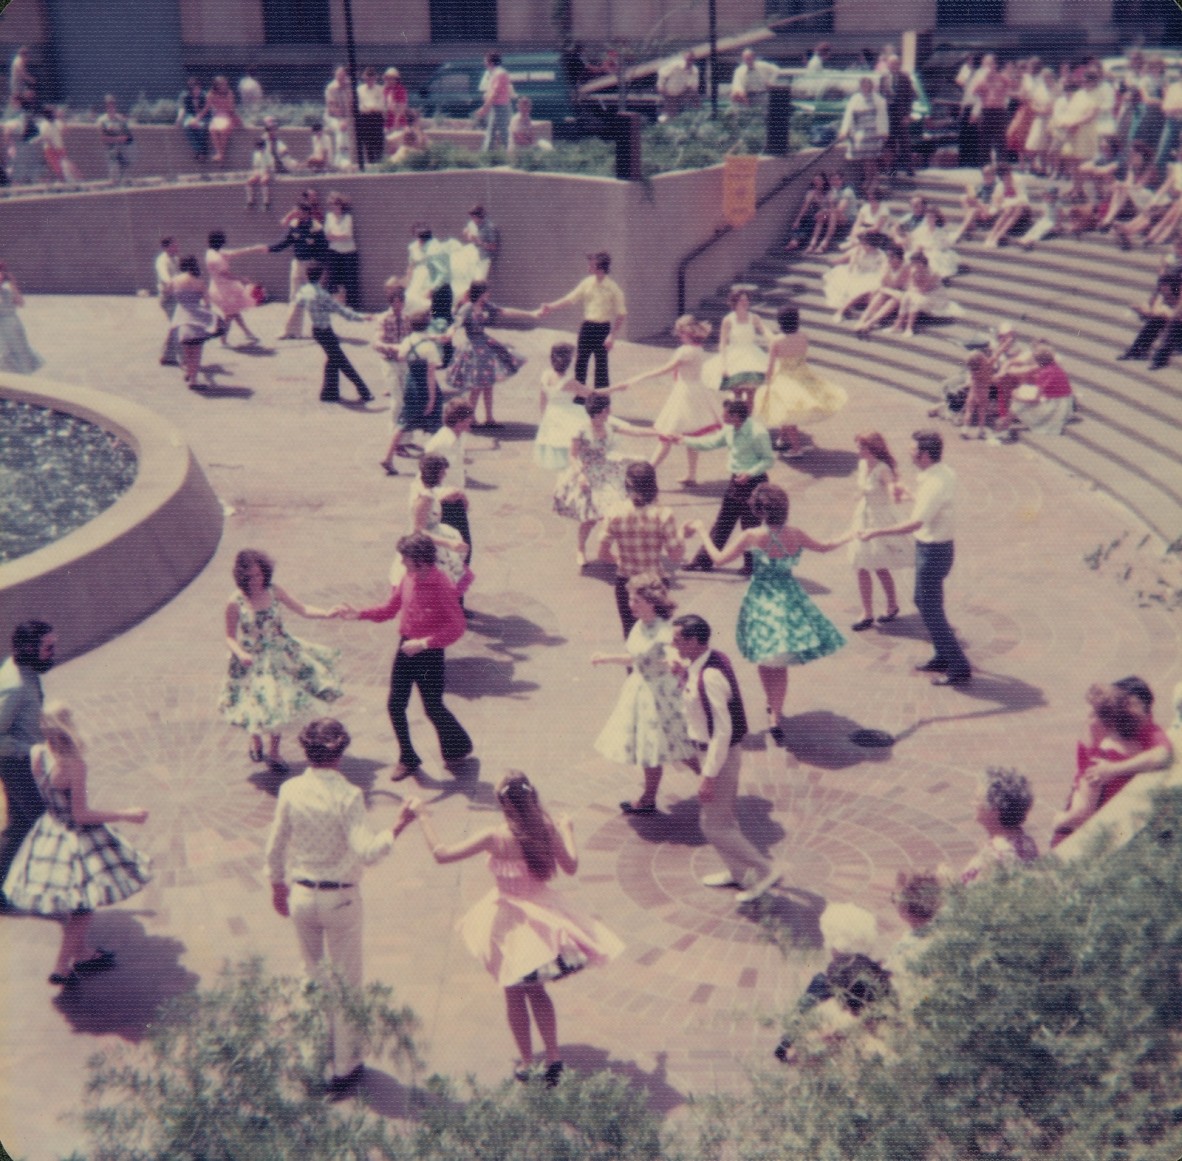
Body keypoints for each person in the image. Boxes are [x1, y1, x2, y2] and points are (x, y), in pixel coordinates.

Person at [413, 770, 623, 1084]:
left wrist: (423, 816)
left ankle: (527, 1062)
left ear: (503, 804)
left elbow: (441, 855)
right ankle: (553, 1058)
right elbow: (571, 866)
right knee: (537, 991)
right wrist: (568, 830)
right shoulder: (547, 829)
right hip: (541, 919)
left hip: (507, 924)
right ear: (532, 797)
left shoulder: (494, 837)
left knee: (513, 993)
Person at [264, 717, 417, 1100]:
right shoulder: (348, 795)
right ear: (341, 752)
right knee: (346, 983)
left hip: (301, 895)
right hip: (342, 899)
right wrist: (398, 825)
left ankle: (312, 1056)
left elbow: (275, 845)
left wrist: (277, 885)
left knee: (312, 978)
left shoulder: (290, 790)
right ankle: (345, 1066)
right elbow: (367, 850)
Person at [686, 483, 847, 742]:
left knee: (764, 659)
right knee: (780, 664)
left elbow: (717, 558)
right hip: (789, 603)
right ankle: (776, 713)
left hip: (761, 603)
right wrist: (850, 535)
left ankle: (772, 707)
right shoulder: (795, 533)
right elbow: (826, 546)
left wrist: (702, 531)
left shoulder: (752, 536)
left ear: (760, 510)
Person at [2, 701, 149, 985]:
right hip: (74, 838)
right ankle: (61, 968)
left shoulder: (36, 753)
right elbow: (81, 815)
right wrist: (125, 815)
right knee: (84, 905)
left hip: (49, 831)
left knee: (73, 901)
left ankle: (81, 953)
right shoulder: (74, 765)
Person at [337, 532, 472, 782]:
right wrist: (359, 614)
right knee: (395, 704)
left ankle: (459, 744)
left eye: (405, 558)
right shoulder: (408, 578)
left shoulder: (441, 584)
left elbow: (457, 626)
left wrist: (424, 643)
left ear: (420, 559)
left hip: (428, 653)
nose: (401, 563)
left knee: (433, 707)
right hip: (406, 647)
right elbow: (389, 609)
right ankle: (408, 757)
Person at [672, 614, 782, 904]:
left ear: (694, 642)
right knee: (725, 820)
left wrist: (708, 775)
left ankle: (764, 870)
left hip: (718, 755)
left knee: (713, 825)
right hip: (707, 751)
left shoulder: (709, 675)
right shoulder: (706, 661)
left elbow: (723, 731)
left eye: (678, 639)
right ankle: (738, 872)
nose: (673, 643)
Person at [859, 430, 971, 687]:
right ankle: (943, 655)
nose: (909, 453)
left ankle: (958, 666)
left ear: (925, 455)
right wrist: (909, 493)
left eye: (913, 450)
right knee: (926, 602)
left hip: (932, 551)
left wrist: (876, 531)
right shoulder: (942, 473)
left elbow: (915, 522)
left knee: (929, 607)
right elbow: (932, 505)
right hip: (938, 548)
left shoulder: (933, 483)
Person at [218, 549, 342, 772]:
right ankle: (255, 737)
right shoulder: (234, 602)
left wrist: (326, 613)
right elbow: (229, 637)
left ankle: (274, 752)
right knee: (256, 705)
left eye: (260, 574)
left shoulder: (274, 591)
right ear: (241, 576)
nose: (257, 580)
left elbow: (302, 608)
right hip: (251, 661)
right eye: (251, 577)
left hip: (281, 656)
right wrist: (241, 653)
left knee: (279, 705)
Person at [592, 575, 694, 815]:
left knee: (680, 744)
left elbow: (673, 652)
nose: (631, 603)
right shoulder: (640, 625)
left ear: (652, 602)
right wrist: (607, 658)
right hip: (640, 690)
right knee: (651, 750)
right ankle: (648, 798)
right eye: (630, 598)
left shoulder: (663, 630)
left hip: (660, 695)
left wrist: (675, 660)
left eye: (636, 600)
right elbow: (637, 658)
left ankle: (714, 783)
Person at [1051, 680, 1173, 847]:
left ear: (1107, 721)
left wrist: (1058, 821)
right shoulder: (1136, 746)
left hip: (1093, 837)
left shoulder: (1100, 762)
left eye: (1092, 715)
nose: (1087, 720)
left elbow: (1082, 814)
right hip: (1123, 827)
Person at [678, 398, 774, 574]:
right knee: (723, 522)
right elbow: (711, 442)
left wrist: (750, 473)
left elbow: (768, 459)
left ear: (736, 416)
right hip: (736, 482)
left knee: (750, 526)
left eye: (726, 414)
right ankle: (704, 560)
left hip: (755, 483)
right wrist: (684, 440)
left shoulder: (758, 433)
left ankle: (751, 565)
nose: (722, 417)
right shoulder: (730, 429)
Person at [553, 393, 647, 568]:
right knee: (589, 519)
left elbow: (635, 431)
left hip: (607, 473)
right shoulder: (580, 431)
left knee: (614, 514)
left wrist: (659, 432)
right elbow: (573, 456)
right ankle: (580, 549)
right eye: (607, 409)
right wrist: (580, 474)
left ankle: (605, 551)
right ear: (599, 412)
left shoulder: (609, 425)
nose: (609, 411)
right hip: (588, 475)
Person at [0, 620, 55, 907]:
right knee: (48, 826)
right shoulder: (14, 686)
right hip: (15, 765)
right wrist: (32, 749)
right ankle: (59, 892)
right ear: (28, 648)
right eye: (48, 647)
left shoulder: (26, 670)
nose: (52, 652)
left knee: (20, 824)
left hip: (21, 761)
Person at [629, 315, 720, 486]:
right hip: (696, 392)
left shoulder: (685, 351)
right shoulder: (698, 348)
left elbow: (666, 369)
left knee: (667, 435)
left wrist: (644, 375)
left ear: (686, 332)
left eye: (680, 332)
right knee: (692, 436)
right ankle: (691, 475)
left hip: (686, 394)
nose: (679, 335)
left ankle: (646, 473)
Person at [598, 462, 684, 638]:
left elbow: (602, 553)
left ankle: (633, 666)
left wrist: (619, 560)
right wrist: (682, 535)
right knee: (658, 635)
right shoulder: (663, 514)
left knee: (631, 635)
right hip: (655, 584)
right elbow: (675, 556)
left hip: (627, 583)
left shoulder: (615, 512)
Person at [755, 306, 848, 457]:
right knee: (786, 410)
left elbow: (770, 366)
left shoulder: (776, 341)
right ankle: (781, 439)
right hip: (803, 374)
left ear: (780, 322)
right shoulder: (804, 336)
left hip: (785, 378)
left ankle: (796, 449)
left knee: (789, 412)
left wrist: (766, 381)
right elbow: (802, 355)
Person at [446, 280, 531, 428]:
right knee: (477, 386)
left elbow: (505, 311)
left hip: (485, 346)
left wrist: (531, 314)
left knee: (488, 384)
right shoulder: (467, 308)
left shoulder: (485, 305)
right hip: (474, 349)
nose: (489, 294)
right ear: (480, 293)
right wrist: (448, 335)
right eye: (486, 291)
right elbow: (455, 324)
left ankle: (490, 418)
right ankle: (470, 419)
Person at [848, 433, 909, 631]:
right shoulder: (863, 465)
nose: (857, 451)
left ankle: (892, 605)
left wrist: (894, 491)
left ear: (871, 448)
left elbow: (891, 485)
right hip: (863, 517)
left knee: (880, 566)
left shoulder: (882, 468)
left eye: (860, 447)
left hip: (879, 520)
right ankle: (867, 612)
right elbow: (863, 488)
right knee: (861, 565)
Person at [539, 251, 626, 390]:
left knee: (601, 366)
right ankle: (579, 399)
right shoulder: (587, 283)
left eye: (592, 265)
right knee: (580, 363)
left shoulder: (613, 288)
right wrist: (551, 306)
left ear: (600, 267)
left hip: (603, 329)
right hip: (587, 327)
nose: (588, 268)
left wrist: (612, 336)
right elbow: (570, 298)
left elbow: (621, 314)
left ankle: (600, 401)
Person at [295, 263, 373, 404]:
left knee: (333, 359)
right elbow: (341, 311)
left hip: (316, 330)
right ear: (321, 276)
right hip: (325, 331)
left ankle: (329, 393)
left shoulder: (304, 291)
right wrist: (362, 317)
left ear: (307, 275)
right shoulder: (322, 294)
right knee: (342, 362)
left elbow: (299, 303)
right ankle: (364, 391)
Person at [960, 767, 1039, 884]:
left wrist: (945, 879)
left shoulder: (993, 859)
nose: (972, 803)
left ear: (994, 810)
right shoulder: (1026, 842)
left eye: (977, 799)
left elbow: (966, 899)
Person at [407, 454, 472, 593]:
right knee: (444, 580)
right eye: (442, 472)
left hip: (437, 534)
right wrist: (448, 543)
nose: (445, 475)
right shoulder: (425, 497)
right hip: (430, 544)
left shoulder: (422, 486)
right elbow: (418, 530)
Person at [270, 198, 328, 341]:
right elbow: (284, 242)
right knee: (295, 298)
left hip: (312, 266)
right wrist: (269, 249)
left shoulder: (317, 228)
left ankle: (322, 330)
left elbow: (323, 249)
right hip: (297, 264)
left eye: (298, 211)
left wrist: (318, 268)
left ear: (306, 213)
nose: (295, 213)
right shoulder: (294, 225)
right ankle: (291, 331)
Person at [423, 400, 477, 555]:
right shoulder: (439, 444)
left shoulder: (460, 437)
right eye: (468, 419)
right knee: (454, 548)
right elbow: (428, 478)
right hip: (444, 503)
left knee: (464, 548)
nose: (471, 421)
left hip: (456, 498)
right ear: (459, 422)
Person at [374, 280, 414, 475]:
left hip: (404, 362)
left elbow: (410, 338)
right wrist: (387, 346)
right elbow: (377, 340)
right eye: (395, 302)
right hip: (389, 362)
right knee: (397, 402)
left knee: (408, 400)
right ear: (391, 302)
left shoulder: (407, 319)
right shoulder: (383, 318)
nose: (399, 305)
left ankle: (405, 439)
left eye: (401, 301)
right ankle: (395, 442)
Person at [391, 310, 445, 446]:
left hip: (411, 383)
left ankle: (388, 455)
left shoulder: (407, 340)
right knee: (436, 419)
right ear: (427, 325)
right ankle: (435, 450)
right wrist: (432, 399)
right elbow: (431, 375)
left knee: (404, 422)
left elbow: (400, 357)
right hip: (425, 387)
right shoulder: (430, 346)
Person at [169, 255, 222, 390]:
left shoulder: (174, 280)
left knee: (187, 349)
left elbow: (169, 292)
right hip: (196, 318)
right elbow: (207, 303)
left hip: (181, 317)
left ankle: (188, 372)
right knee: (197, 350)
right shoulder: (199, 282)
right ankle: (193, 380)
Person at [205, 230, 266, 347]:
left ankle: (247, 333)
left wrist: (254, 249)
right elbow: (224, 274)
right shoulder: (215, 257)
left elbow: (235, 253)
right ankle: (223, 339)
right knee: (230, 314)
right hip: (223, 289)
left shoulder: (213, 252)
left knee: (234, 312)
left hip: (222, 286)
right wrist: (241, 279)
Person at [711, 288, 770, 407]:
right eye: (742, 300)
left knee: (751, 392)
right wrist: (723, 364)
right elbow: (722, 342)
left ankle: (748, 421)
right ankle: (738, 420)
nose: (745, 303)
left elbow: (766, 331)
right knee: (737, 391)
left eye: (746, 300)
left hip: (752, 356)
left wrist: (777, 339)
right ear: (735, 302)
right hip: (734, 356)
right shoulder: (728, 320)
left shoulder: (754, 318)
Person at [534, 341, 585, 471]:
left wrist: (543, 417)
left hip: (551, 414)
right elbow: (592, 394)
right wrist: (617, 388)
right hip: (568, 414)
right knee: (573, 446)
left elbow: (542, 398)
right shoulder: (569, 382)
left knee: (558, 445)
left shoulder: (545, 374)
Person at [1008, 344, 1074, 437]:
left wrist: (1016, 397)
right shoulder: (1056, 367)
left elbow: (1035, 399)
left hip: (1056, 408)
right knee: (1023, 391)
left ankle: (1004, 427)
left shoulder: (1045, 373)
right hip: (1066, 405)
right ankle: (1006, 424)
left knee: (1017, 402)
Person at [837, 77, 887, 192]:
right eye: (863, 85)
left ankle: (872, 180)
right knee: (865, 158)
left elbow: (883, 116)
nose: (865, 87)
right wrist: (844, 130)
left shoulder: (878, 99)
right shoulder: (855, 98)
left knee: (871, 158)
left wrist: (884, 131)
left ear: (871, 86)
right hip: (860, 131)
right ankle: (871, 178)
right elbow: (848, 115)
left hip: (874, 131)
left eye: (867, 84)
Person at [405, 222, 454, 329]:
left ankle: (445, 344)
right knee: (437, 321)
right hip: (440, 291)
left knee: (441, 322)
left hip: (441, 293)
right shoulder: (432, 246)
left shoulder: (433, 251)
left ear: (419, 239)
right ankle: (444, 344)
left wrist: (431, 289)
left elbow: (443, 273)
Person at [0, 260, 43, 374]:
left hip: (12, 325)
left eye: (1, 272)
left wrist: (14, 286)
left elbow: (20, 303)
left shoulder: (8, 289)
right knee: (4, 353)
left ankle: (22, 377)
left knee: (19, 350)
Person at [324, 192, 360, 309]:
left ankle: (352, 307)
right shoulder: (329, 217)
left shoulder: (347, 217)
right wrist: (339, 236)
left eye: (336, 205)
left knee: (350, 281)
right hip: (334, 252)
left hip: (349, 253)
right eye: (332, 205)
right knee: (334, 280)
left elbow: (348, 235)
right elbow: (327, 235)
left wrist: (335, 236)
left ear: (341, 205)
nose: (334, 207)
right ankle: (337, 305)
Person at [478, 53, 514, 152]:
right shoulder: (495, 73)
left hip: (500, 107)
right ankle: (487, 155)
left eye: (485, 60)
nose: (484, 62)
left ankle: (512, 156)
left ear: (491, 62)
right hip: (497, 107)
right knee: (491, 132)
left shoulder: (499, 74)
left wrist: (484, 108)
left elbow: (494, 93)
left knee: (504, 133)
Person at [155, 236, 181, 367]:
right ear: (166, 247)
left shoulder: (176, 259)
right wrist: (170, 282)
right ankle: (184, 360)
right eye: (174, 245)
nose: (177, 247)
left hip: (176, 296)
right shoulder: (162, 260)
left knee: (175, 324)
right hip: (167, 298)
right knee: (178, 326)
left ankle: (167, 356)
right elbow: (164, 275)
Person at [97, 94, 134, 184]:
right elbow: (103, 138)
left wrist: (125, 138)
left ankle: (126, 184)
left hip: (123, 150)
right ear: (105, 106)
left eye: (112, 104)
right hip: (111, 149)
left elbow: (128, 136)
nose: (111, 106)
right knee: (114, 175)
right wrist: (117, 139)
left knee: (126, 173)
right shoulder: (102, 120)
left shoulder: (120, 119)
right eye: (108, 104)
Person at [324, 66, 354, 171]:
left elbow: (351, 105)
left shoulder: (349, 87)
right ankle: (342, 158)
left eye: (343, 75)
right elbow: (332, 107)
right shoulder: (330, 88)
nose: (341, 78)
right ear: (335, 76)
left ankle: (342, 159)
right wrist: (342, 120)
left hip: (346, 116)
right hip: (332, 117)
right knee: (341, 128)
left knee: (347, 127)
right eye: (338, 75)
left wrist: (347, 118)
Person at [460, 205, 500, 283]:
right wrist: (466, 233)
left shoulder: (489, 227)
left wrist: (479, 242)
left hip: (483, 259)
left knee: (480, 283)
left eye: (474, 217)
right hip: (472, 258)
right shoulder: (472, 223)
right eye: (471, 218)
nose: (472, 220)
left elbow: (494, 247)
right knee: (470, 282)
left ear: (480, 216)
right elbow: (468, 237)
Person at [657, 51, 700, 121]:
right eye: (688, 59)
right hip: (668, 92)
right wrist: (661, 86)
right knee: (671, 113)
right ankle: (666, 120)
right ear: (684, 58)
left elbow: (694, 85)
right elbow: (662, 73)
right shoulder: (675, 65)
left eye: (692, 59)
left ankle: (697, 115)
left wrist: (690, 94)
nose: (690, 61)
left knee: (695, 96)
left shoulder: (694, 70)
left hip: (682, 93)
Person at [205, 76, 239, 164]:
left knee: (224, 130)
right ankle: (220, 155)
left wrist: (238, 121)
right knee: (212, 129)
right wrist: (198, 119)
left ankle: (220, 155)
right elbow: (207, 108)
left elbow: (231, 110)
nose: (224, 85)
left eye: (225, 83)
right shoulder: (211, 94)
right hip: (217, 116)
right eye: (221, 84)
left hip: (228, 116)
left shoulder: (229, 93)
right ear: (216, 85)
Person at [355, 66, 385, 165]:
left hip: (377, 117)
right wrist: (367, 110)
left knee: (379, 143)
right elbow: (359, 105)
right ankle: (371, 165)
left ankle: (380, 165)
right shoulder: (359, 90)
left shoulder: (380, 89)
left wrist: (374, 108)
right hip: (365, 118)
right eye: (367, 78)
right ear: (364, 78)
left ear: (375, 78)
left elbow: (382, 105)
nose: (370, 80)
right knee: (368, 144)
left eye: (372, 78)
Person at [177, 76, 210, 162]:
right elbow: (182, 108)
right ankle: (200, 151)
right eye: (193, 88)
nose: (196, 90)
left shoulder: (205, 95)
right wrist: (179, 118)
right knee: (188, 127)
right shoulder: (185, 96)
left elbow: (206, 109)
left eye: (197, 87)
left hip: (204, 116)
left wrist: (198, 119)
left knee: (202, 128)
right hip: (191, 116)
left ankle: (200, 153)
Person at [382, 67, 408, 136]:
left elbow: (401, 109)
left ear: (396, 79)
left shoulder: (400, 89)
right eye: (387, 78)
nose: (389, 80)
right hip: (387, 122)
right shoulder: (385, 89)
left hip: (399, 122)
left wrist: (395, 124)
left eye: (391, 78)